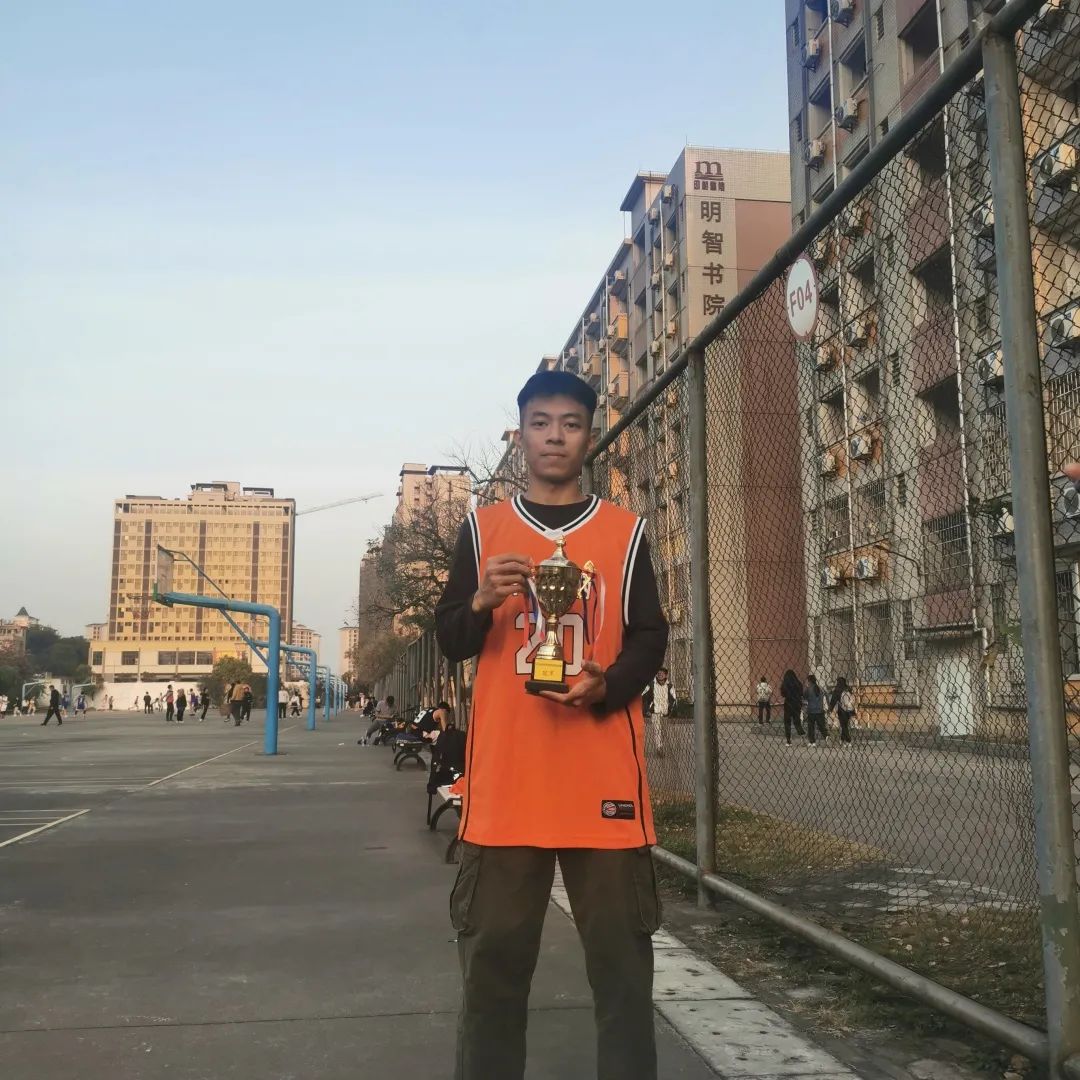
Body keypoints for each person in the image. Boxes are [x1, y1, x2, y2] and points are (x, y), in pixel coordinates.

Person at [435, 369, 668, 1080]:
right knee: (492, 981)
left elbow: (650, 637)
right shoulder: (483, 529)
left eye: (570, 423)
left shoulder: (626, 532)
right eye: (541, 423)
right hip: (506, 790)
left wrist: (608, 685)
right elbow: (451, 638)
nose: (555, 437)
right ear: (522, 436)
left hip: (603, 788)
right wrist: (480, 601)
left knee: (623, 983)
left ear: (589, 436)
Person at [642, 667, 676, 756]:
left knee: (664, 730)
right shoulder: (651, 684)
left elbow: (674, 699)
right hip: (655, 711)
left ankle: (661, 745)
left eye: (662, 673)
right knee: (657, 730)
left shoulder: (670, 686)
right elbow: (643, 696)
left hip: (665, 712)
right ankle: (659, 747)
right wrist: (647, 709)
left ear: (666, 675)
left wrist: (670, 710)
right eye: (658, 673)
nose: (660, 675)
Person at [779, 669, 804, 746]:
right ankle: (802, 738)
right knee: (797, 721)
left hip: (788, 703)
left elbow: (783, 694)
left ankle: (788, 741)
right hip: (797, 703)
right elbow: (801, 693)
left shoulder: (785, 684)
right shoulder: (798, 683)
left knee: (787, 722)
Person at [829, 676, 856, 746]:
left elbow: (833, 700)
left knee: (844, 726)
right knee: (845, 725)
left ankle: (848, 740)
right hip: (850, 710)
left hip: (842, 710)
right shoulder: (848, 688)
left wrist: (830, 709)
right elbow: (853, 698)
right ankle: (842, 739)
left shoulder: (837, 690)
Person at [804, 674, 828, 746]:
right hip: (820, 710)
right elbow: (826, 695)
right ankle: (826, 735)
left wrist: (806, 687)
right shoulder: (820, 688)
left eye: (807, 680)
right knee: (821, 726)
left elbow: (804, 697)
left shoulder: (808, 689)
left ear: (809, 681)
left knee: (811, 727)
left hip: (811, 710)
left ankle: (812, 742)